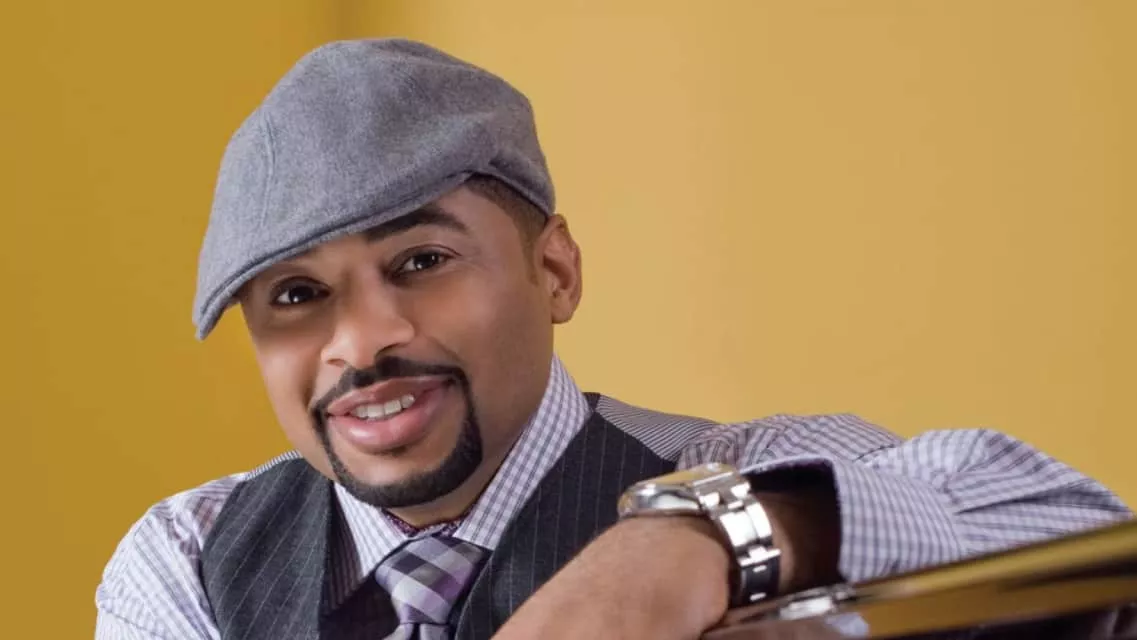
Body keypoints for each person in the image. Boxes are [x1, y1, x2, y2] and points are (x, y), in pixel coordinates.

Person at [94, 39, 1130, 640]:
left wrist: (690, 540)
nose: (362, 343)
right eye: (297, 295)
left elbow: (1079, 527)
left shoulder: (731, 470)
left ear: (555, 271)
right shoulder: (188, 560)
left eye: (421, 260)